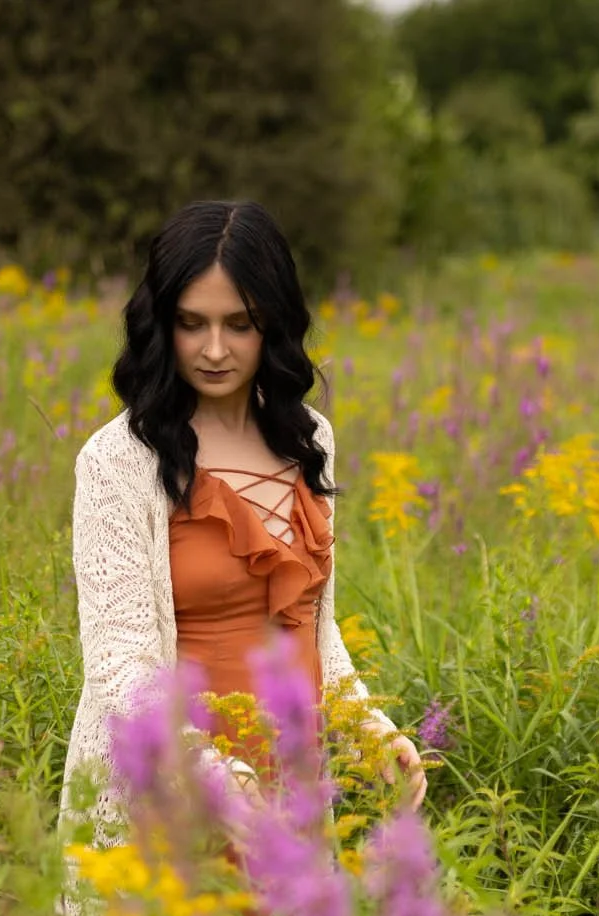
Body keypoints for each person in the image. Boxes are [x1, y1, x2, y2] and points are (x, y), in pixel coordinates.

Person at [58, 199, 426, 863]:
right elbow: (120, 667)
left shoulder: (308, 439)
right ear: (160, 324)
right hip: (177, 783)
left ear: (274, 326)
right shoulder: (120, 462)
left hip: (290, 782)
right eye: (192, 324)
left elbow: (313, 622)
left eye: (241, 325)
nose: (216, 349)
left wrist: (366, 725)